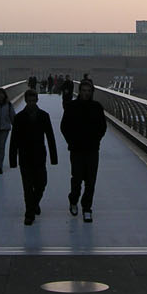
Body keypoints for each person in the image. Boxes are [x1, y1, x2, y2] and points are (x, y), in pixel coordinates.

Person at [8, 87, 57, 225]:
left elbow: (50, 137)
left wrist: (54, 158)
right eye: (28, 100)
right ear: (25, 101)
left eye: (33, 100)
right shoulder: (19, 118)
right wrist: (12, 160)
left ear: (36, 100)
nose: (30, 103)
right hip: (24, 156)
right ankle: (29, 214)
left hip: (40, 156)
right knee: (27, 187)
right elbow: (14, 140)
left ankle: (34, 203)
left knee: (42, 183)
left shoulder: (44, 116)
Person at [60, 77, 106, 222]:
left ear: (92, 92)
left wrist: (96, 140)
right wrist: (71, 142)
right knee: (77, 178)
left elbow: (102, 127)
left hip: (92, 149)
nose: (86, 93)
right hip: (77, 149)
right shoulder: (72, 107)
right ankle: (73, 200)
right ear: (79, 91)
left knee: (91, 181)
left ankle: (87, 208)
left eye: (88, 91)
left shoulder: (97, 107)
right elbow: (64, 127)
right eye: (84, 91)